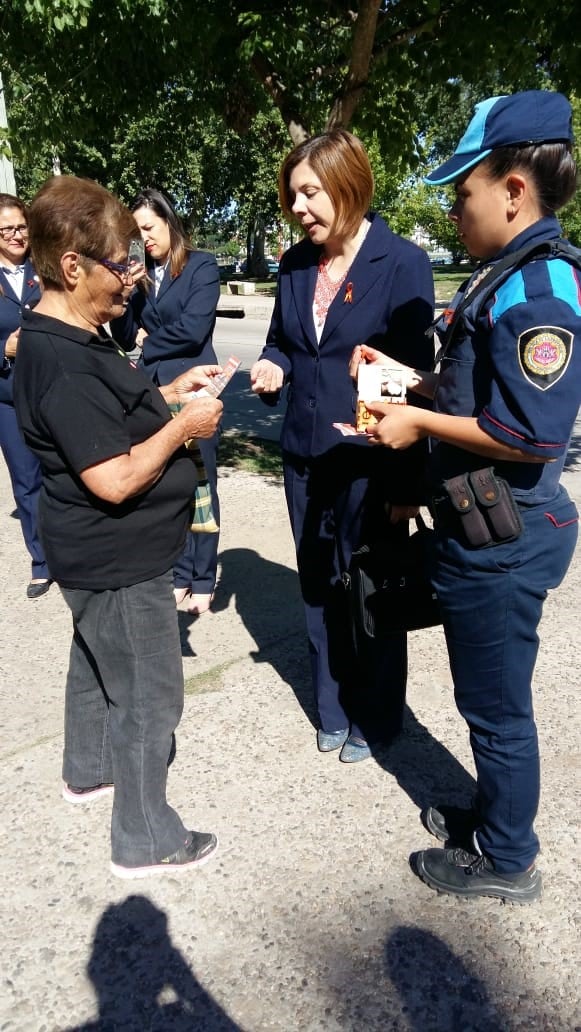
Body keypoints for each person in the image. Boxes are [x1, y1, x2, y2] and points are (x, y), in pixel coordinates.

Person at [353, 90, 580, 901]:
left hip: (506, 529)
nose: (453, 207)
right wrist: (407, 383)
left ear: (514, 189)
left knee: (496, 708)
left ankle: (507, 862)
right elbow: (473, 396)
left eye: (463, 191)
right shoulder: (508, 276)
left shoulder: (539, 290)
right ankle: (493, 818)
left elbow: (532, 433)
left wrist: (413, 420)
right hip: (485, 521)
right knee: (485, 696)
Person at [13, 175, 224, 878]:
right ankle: (145, 836)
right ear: (71, 267)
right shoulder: (63, 360)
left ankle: (87, 771)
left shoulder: (67, 337)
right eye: (119, 262)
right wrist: (183, 429)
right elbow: (112, 477)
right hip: (117, 558)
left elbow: (99, 422)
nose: (131, 278)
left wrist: (164, 395)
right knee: (147, 691)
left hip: (90, 558)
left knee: (95, 661)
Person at [250, 130, 434, 762]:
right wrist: (273, 367)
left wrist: (408, 489)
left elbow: (415, 380)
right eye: (292, 195)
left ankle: (374, 715)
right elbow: (281, 340)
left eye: (310, 192)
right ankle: (329, 706)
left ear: (347, 184)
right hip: (306, 456)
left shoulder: (403, 262)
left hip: (373, 460)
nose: (298, 208)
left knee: (371, 590)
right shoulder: (296, 264)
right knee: (317, 585)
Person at [112, 188, 221, 616]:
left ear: (168, 221)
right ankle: (178, 572)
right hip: (156, 390)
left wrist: (149, 343)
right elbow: (123, 338)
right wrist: (126, 294)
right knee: (168, 482)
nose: (145, 238)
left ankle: (202, 576)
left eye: (149, 228)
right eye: (136, 232)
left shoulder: (201, 266)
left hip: (197, 387)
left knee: (201, 480)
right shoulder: (139, 278)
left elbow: (194, 330)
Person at [0, 193, 51, 598]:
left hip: (52, 390)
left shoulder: (46, 270)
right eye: (8, 229)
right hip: (8, 398)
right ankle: (41, 561)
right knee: (27, 481)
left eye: (22, 226)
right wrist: (5, 350)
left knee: (65, 471)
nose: (18, 235)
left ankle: (75, 551)